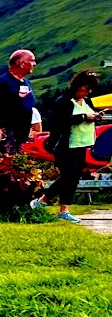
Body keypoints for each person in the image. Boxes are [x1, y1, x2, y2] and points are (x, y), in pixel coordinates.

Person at [46, 70, 104, 223]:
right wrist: (85, 117)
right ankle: (51, 204)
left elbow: (88, 116)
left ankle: (54, 205)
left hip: (81, 144)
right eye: (85, 88)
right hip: (66, 145)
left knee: (73, 177)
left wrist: (95, 117)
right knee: (69, 176)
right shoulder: (63, 101)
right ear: (77, 86)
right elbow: (61, 121)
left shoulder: (87, 101)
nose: (87, 92)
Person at [0, 49, 39, 148]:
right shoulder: (3, 82)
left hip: (21, 135)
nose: (34, 64)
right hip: (6, 136)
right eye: (32, 60)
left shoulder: (26, 81)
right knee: (0, 162)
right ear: (22, 64)